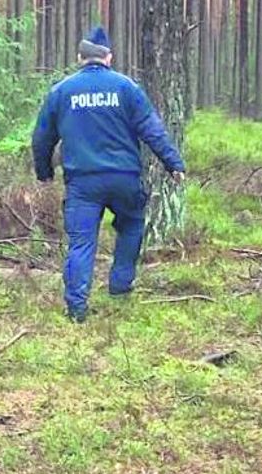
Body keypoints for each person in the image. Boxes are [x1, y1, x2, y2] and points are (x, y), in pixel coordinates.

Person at [32, 27, 186, 322]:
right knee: (131, 226)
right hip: (124, 178)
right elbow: (151, 129)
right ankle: (120, 287)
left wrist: (44, 173)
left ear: (80, 57)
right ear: (109, 57)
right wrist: (173, 163)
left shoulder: (62, 91)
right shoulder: (126, 88)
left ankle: (77, 308)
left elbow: (41, 138)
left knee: (81, 243)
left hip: (82, 183)